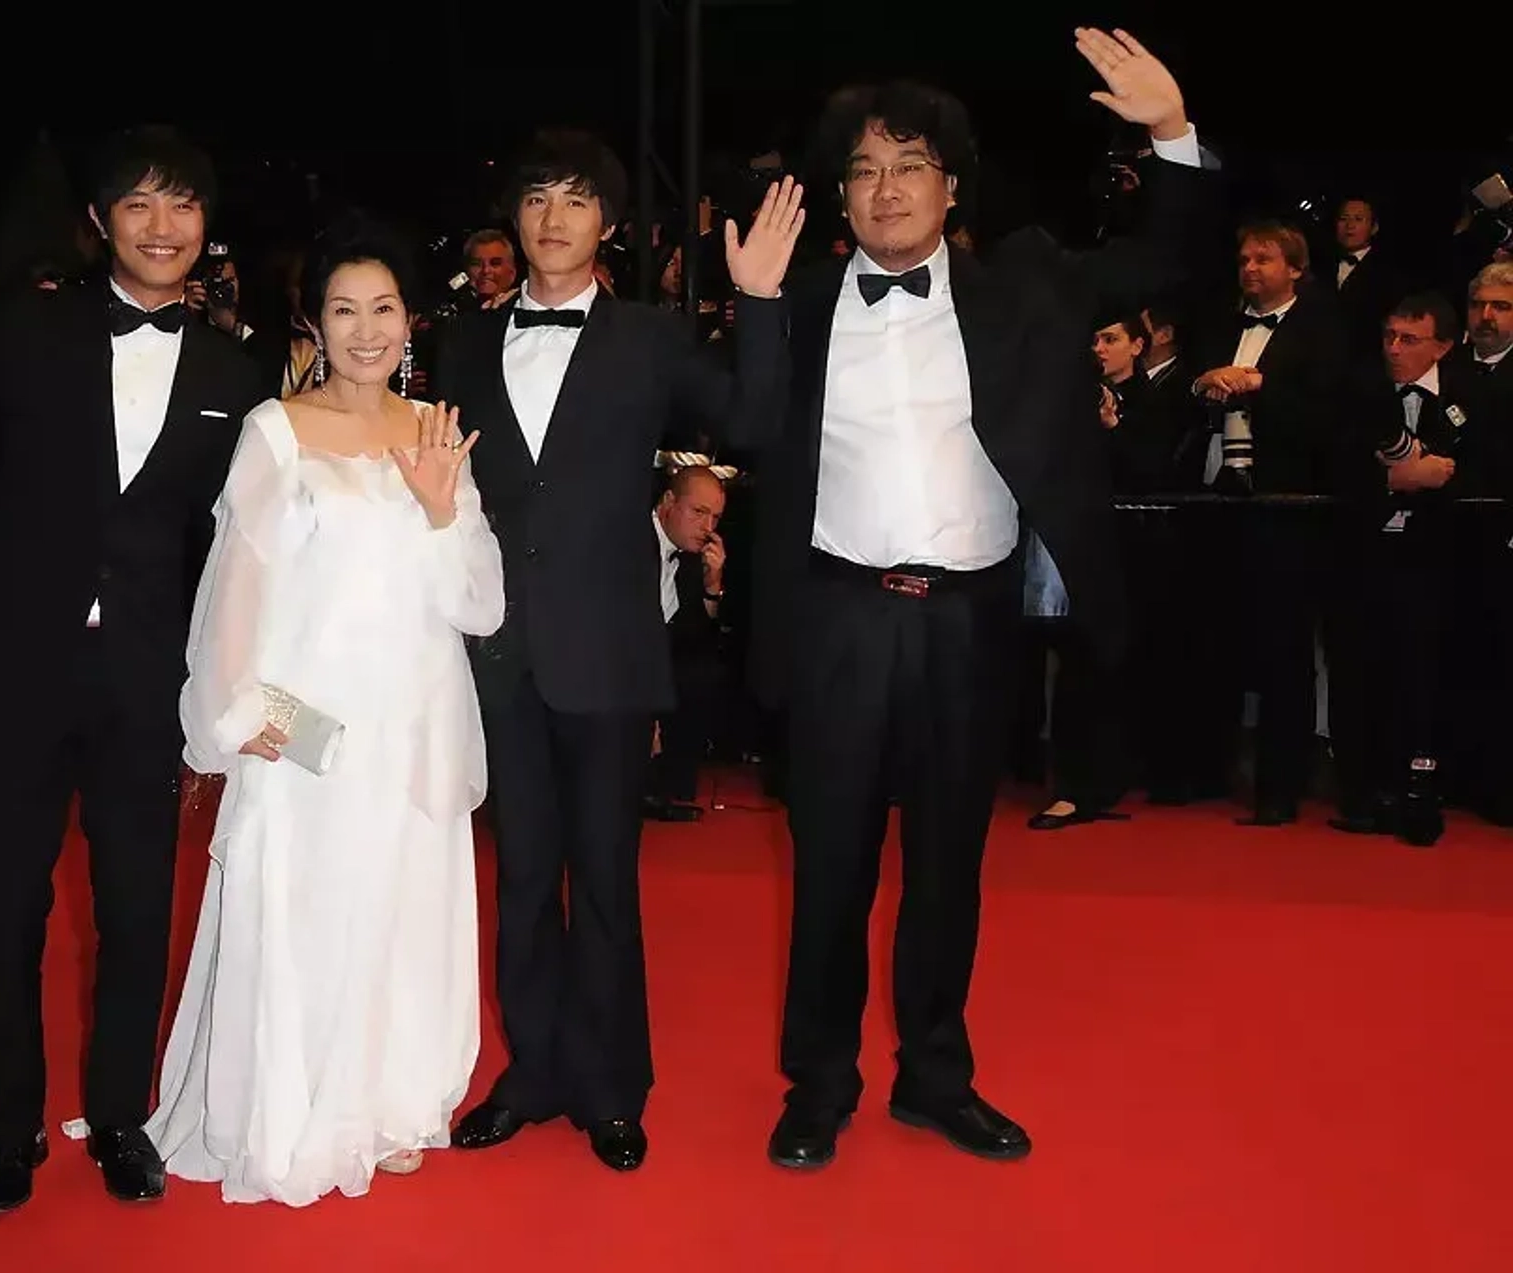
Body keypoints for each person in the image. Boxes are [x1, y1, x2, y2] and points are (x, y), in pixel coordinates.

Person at [746, 29, 1210, 1170]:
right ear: (838, 195)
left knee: (951, 863)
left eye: (910, 164)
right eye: (864, 169)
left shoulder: (1028, 287)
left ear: (951, 185)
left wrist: (1171, 133)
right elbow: (746, 425)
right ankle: (818, 1083)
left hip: (967, 618)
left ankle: (935, 1078)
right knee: (831, 869)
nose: (887, 188)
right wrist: (754, 306)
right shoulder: (800, 301)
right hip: (839, 618)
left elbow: (1165, 259)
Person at [0, 110, 270, 1215]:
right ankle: (12, 1128)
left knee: (138, 913)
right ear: (100, 223)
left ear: (206, 226)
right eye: (137, 202)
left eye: (181, 203)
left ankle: (122, 1118)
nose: (162, 222)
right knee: (3, 908)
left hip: (145, 681)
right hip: (24, 667)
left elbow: (262, 539)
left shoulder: (239, 367)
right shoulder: (32, 328)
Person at [438, 129, 804, 1171]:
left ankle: (610, 1084)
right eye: (536, 200)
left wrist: (761, 304)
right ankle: (532, 1071)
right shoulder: (463, 341)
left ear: (608, 225)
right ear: (515, 222)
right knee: (520, 882)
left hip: (604, 651)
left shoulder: (649, 336)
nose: (553, 219)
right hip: (499, 654)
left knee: (604, 878)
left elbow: (754, 418)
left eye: (575, 201)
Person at [144, 218, 504, 1205]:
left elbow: (479, 603)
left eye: (382, 308)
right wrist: (238, 713)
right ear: (314, 322)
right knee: (308, 903)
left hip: (415, 721)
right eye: (344, 310)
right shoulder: (277, 429)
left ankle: (387, 1100)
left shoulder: (433, 432)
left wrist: (440, 509)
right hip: (309, 721)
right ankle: (298, 1108)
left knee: (401, 909)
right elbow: (235, 591)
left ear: (410, 321)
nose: (365, 330)